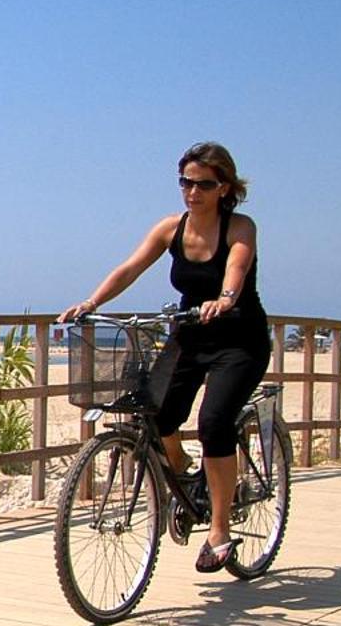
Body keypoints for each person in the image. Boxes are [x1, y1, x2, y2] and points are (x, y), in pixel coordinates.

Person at [60, 142, 271, 572]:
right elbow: (131, 267)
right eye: (186, 182)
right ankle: (184, 470)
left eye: (204, 184)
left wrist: (226, 298)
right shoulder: (170, 228)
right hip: (191, 335)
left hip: (239, 340)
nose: (193, 192)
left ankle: (218, 529)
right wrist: (91, 301)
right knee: (153, 412)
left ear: (224, 187)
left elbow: (237, 269)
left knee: (214, 422)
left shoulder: (240, 226)